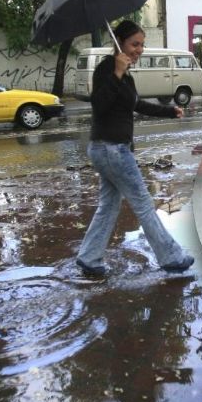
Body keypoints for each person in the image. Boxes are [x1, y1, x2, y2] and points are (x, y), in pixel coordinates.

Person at [76, 20, 194, 275]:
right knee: (142, 203)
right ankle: (172, 257)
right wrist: (117, 73)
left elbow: (136, 104)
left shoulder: (125, 72)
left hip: (110, 150)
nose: (139, 49)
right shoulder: (108, 69)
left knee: (108, 205)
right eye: (134, 44)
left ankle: (89, 257)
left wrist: (169, 111)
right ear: (118, 42)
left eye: (141, 44)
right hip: (112, 149)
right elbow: (100, 105)